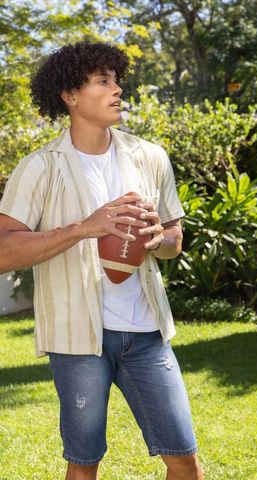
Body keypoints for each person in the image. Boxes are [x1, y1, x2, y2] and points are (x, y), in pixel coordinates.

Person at [0, 41, 203, 480]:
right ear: (69, 96)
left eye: (117, 80)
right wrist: (81, 229)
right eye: (102, 81)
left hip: (147, 334)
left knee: (185, 461)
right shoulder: (40, 167)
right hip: (77, 341)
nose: (117, 90)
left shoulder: (150, 157)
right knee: (83, 466)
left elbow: (175, 240)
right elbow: (3, 251)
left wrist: (157, 239)